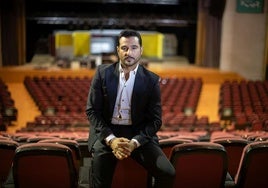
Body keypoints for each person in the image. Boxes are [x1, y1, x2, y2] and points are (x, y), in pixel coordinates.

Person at [86, 29, 175, 188]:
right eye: (124, 48)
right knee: (99, 183)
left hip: (138, 134)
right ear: (118, 50)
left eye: (134, 48)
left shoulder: (151, 80)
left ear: (141, 50)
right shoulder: (102, 73)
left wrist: (134, 143)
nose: (129, 52)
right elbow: (92, 111)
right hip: (107, 132)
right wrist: (112, 141)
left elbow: (155, 121)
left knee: (167, 173)